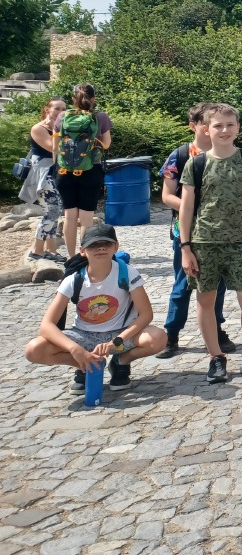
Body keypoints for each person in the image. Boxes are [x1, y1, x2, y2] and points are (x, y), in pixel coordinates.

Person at [178, 103, 242, 383]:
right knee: (205, 299)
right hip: (204, 242)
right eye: (218, 125)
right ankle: (216, 357)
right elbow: (186, 207)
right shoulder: (196, 163)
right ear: (206, 130)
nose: (224, 130)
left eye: (230, 125)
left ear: (238, 128)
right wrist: (185, 248)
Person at [24, 223, 166, 392]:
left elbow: (146, 314)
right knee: (33, 350)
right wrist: (75, 350)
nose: (100, 248)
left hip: (120, 333)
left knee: (158, 338)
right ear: (82, 251)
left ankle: (121, 362)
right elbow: (46, 325)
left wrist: (117, 341)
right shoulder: (73, 279)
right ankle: (86, 363)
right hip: (83, 334)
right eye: (93, 245)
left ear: (116, 247)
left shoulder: (127, 273)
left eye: (106, 244)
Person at [157, 103, 236, 359]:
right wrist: (193, 209)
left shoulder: (228, 154)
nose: (212, 128)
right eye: (206, 123)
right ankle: (172, 334)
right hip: (187, 232)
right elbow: (167, 195)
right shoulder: (180, 156)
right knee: (183, 284)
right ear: (194, 126)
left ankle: (217, 329)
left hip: (218, 233)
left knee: (218, 284)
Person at [53, 84, 112, 258]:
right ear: (94, 99)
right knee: (86, 218)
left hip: (64, 171)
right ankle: (84, 257)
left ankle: (71, 258)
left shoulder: (63, 116)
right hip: (91, 170)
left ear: (73, 99)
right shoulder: (100, 117)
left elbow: (55, 148)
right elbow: (107, 144)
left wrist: (57, 168)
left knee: (69, 216)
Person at [20, 97, 67, 264]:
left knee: (54, 210)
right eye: (57, 108)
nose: (61, 112)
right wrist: (58, 129)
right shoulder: (38, 128)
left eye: (64, 109)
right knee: (53, 210)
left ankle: (51, 250)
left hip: (55, 172)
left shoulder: (61, 127)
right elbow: (54, 148)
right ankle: (37, 250)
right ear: (47, 109)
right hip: (43, 174)